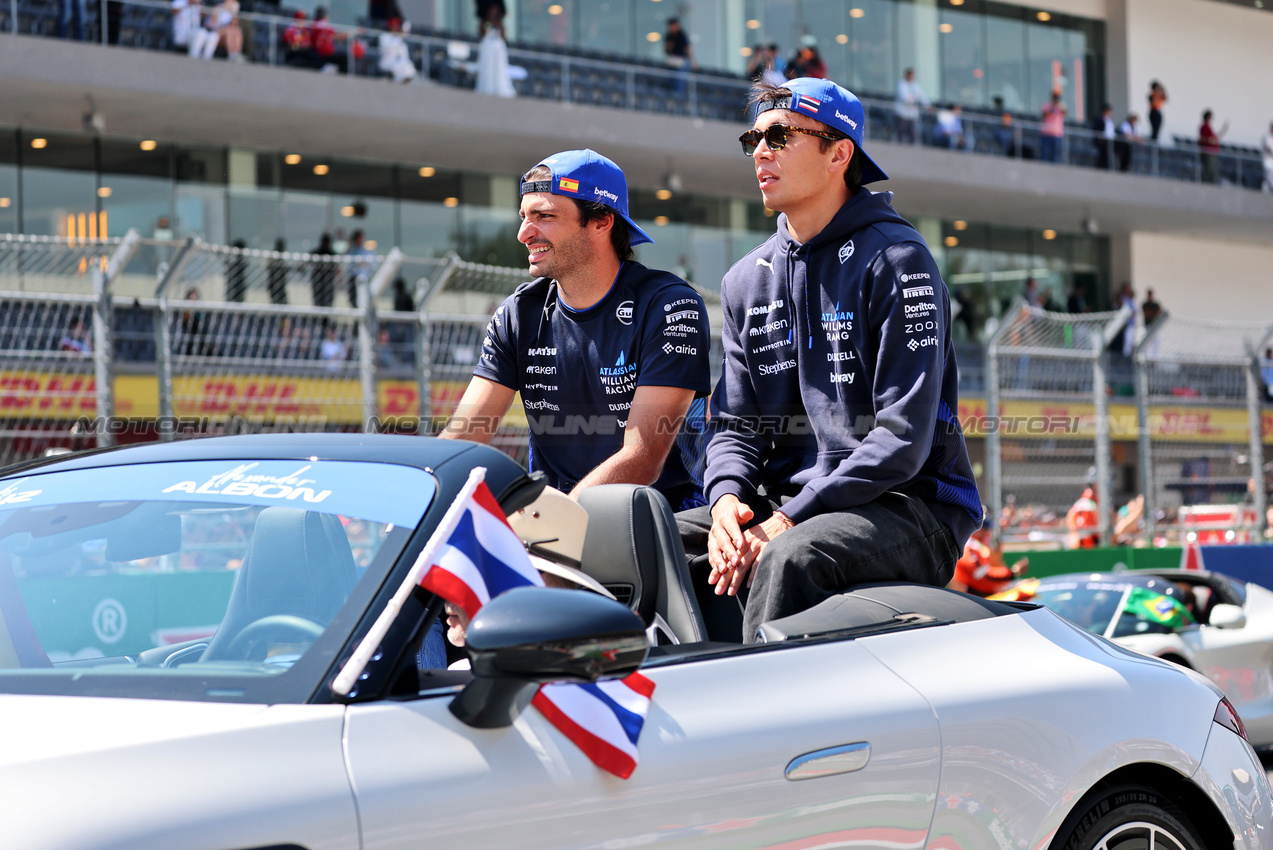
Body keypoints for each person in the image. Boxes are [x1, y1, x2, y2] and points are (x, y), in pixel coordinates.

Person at [678, 78, 981, 643]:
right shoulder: (746, 280)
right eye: (754, 140)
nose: (760, 152)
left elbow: (901, 442)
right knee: (655, 540)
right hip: (792, 503)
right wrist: (725, 506)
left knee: (791, 557)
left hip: (909, 506)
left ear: (840, 154)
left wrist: (787, 518)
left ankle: (770, 725)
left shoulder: (897, 258)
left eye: (780, 136)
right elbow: (737, 427)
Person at [442, 149, 712, 511]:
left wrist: (557, 521)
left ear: (601, 221)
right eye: (524, 216)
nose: (524, 233)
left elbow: (643, 458)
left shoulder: (669, 305)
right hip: (555, 521)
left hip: (661, 518)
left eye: (545, 216)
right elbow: (465, 436)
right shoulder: (518, 314)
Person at [441, 487, 616, 668]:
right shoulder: (461, 671)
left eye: (476, 571)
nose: (449, 592)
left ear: (542, 591)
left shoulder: (572, 679)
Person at [950, 514, 1027, 597]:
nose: (987, 532)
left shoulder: (979, 546)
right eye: (984, 528)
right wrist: (1012, 573)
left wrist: (1010, 584)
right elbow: (982, 575)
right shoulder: (967, 548)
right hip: (972, 600)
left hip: (984, 597)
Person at [475, 1, 516, 97]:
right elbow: (483, 32)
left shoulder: (499, 25)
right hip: (488, 49)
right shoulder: (485, 23)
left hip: (497, 50)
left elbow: (502, 36)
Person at [894, 68, 929, 145]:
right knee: (902, 132)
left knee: (912, 133)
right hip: (902, 113)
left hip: (912, 114)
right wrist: (913, 99)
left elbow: (921, 96)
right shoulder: (901, 84)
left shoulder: (915, 85)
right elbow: (904, 97)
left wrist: (927, 105)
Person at [378, 18, 417, 84]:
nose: (395, 28)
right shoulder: (384, 36)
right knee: (396, 68)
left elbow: (404, 55)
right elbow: (389, 49)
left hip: (399, 62)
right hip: (387, 61)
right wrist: (400, 38)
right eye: (393, 26)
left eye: (396, 26)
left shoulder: (399, 39)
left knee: (409, 67)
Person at [346, 229, 375, 307]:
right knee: (353, 301)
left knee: (366, 301)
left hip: (365, 278)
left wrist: (361, 264)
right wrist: (349, 244)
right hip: (353, 278)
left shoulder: (367, 251)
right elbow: (346, 263)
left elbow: (372, 265)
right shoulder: (351, 250)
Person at [1198, 109, 1227, 184]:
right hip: (1208, 152)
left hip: (1212, 152)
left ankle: (1211, 183)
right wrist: (1211, 141)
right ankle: (1207, 183)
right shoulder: (1204, 126)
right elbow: (1203, 139)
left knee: (1212, 169)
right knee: (1209, 169)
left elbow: (1214, 138)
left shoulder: (1208, 127)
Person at [310, 233, 337, 307]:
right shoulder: (317, 252)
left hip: (328, 281)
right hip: (318, 281)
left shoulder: (332, 254)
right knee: (318, 300)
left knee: (328, 301)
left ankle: (326, 317)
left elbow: (337, 267)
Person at [1040, 93, 1066, 163]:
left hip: (1057, 134)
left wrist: (1058, 106)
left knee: (1055, 155)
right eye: (1055, 98)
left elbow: (1065, 112)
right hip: (1046, 133)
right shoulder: (1047, 105)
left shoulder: (1061, 106)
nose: (1056, 99)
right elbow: (1043, 115)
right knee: (1045, 153)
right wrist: (1051, 108)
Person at [1093, 103, 1116, 170]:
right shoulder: (1099, 119)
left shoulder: (1110, 120)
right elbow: (1097, 130)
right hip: (1102, 141)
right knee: (1104, 153)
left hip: (1110, 141)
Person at [1261, 120, 1273, 193]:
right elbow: (1266, 148)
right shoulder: (1266, 137)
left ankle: (1267, 188)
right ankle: (1266, 189)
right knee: (1269, 176)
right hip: (1268, 161)